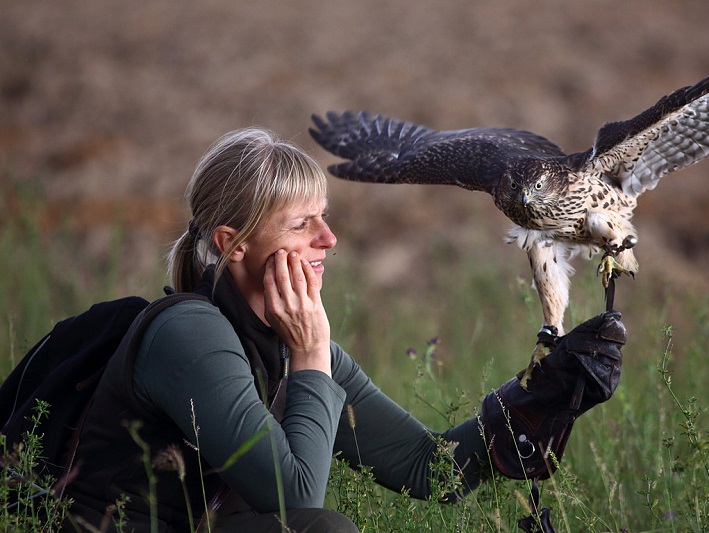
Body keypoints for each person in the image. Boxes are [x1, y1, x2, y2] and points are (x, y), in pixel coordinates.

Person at [63, 127, 626, 532]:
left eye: (325, 216)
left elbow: (429, 470)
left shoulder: (294, 347)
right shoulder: (189, 334)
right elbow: (296, 499)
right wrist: (310, 355)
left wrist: (538, 396)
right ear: (230, 244)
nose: (328, 239)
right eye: (301, 224)